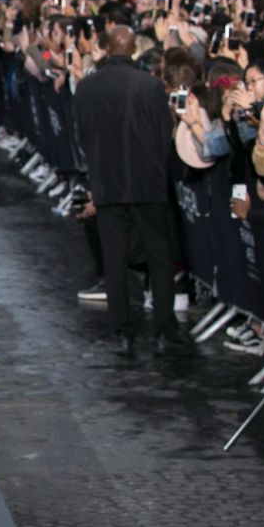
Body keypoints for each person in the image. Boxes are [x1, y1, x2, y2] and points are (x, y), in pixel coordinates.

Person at [72, 24, 184, 356]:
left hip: (107, 183)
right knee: (160, 258)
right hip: (147, 184)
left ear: (105, 47)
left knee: (115, 259)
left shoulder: (87, 87)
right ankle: (164, 330)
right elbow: (164, 137)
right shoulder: (150, 86)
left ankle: (122, 330)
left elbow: (81, 135)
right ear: (133, 49)